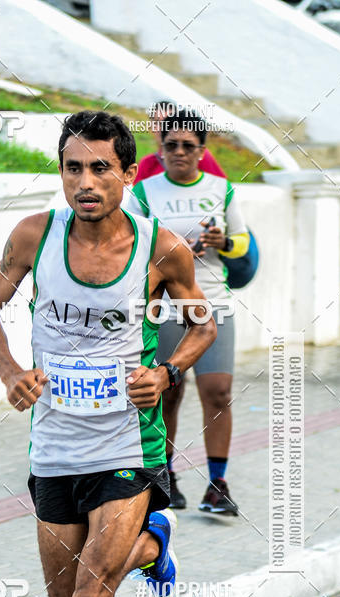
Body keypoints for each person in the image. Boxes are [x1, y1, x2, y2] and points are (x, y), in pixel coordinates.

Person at [0, 110, 216, 597]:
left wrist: (166, 374)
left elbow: (203, 321)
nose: (85, 181)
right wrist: (10, 371)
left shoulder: (159, 249)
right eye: (73, 167)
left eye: (100, 167)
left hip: (125, 443)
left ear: (127, 172)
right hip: (54, 444)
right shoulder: (33, 236)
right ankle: (151, 542)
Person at [127, 110, 250, 516]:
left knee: (218, 393)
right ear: (159, 150)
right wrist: (173, 252)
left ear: (202, 150)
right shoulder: (144, 192)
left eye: (188, 146)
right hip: (164, 309)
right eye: (171, 145)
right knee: (168, 393)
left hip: (213, 302)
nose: (179, 152)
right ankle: (166, 478)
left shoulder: (222, 188)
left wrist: (223, 240)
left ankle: (218, 485)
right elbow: (131, 251)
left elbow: (243, 246)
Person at [135, 100, 226, 184]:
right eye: (157, 123)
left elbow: (220, 188)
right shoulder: (147, 164)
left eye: (169, 122)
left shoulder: (197, 154)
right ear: (151, 127)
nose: (163, 127)